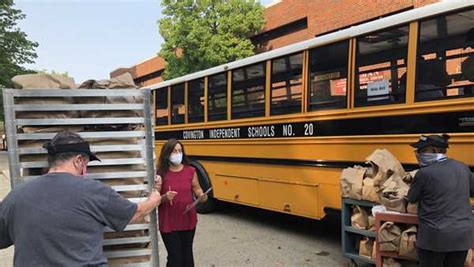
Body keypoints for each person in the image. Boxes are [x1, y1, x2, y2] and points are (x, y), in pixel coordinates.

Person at [0, 131, 162, 266]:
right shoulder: (93, 191)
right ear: (78, 161)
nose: (86, 169)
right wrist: (155, 198)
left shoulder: (18, 194)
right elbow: (134, 213)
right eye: (86, 163)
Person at [407, 134, 473, 267]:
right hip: (462, 237)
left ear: (434, 151)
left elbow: (412, 198)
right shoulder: (463, 167)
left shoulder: (424, 173)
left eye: (421, 150)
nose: (418, 154)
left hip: (434, 239)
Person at [156, 138, 209, 267]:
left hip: (188, 219)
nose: (178, 154)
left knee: (187, 258)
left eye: (180, 151)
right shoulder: (160, 173)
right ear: (167, 154)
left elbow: (196, 188)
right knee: (175, 259)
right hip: (169, 221)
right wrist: (164, 197)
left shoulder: (190, 170)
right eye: (174, 151)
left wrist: (201, 196)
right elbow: (155, 197)